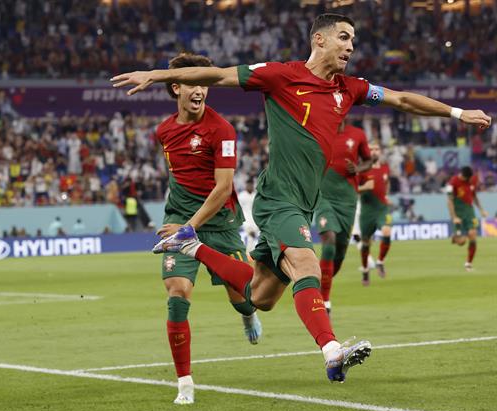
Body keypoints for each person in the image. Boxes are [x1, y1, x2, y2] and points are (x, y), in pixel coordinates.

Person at [112, 13, 491, 383]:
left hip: (304, 203)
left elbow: (402, 100)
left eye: (353, 40)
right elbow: (217, 75)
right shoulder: (282, 76)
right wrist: (156, 75)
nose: (351, 47)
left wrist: (457, 113)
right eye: (344, 37)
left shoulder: (349, 88)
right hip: (278, 198)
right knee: (307, 266)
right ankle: (331, 351)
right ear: (319, 40)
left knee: (261, 296)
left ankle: (193, 248)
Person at [151, 53, 262, 405]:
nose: (200, 90)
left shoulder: (222, 130)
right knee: (177, 294)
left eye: (205, 83)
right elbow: (178, 176)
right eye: (193, 83)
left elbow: (221, 189)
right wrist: (180, 223)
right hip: (179, 221)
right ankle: (185, 381)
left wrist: (189, 227)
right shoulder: (164, 132)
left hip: (220, 224)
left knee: (246, 298)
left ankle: (248, 316)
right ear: (176, 88)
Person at [315, 122, 372, 313]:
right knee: (328, 239)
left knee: (339, 253)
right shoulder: (320, 129)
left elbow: (369, 161)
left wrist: (357, 168)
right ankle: (324, 300)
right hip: (323, 197)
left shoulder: (357, 134)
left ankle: (323, 282)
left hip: (347, 199)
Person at [358, 143, 392, 285]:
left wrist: (386, 195)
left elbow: (387, 182)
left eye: (376, 149)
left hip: (382, 209)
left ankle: (380, 261)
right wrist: (365, 187)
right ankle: (366, 270)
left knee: (387, 232)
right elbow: (354, 188)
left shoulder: (385, 167)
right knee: (366, 243)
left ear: (380, 152)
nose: (374, 151)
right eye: (371, 149)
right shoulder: (361, 169)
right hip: (367, 211)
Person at [446, 166, 488, 271]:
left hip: (469, 211)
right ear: (463, 176)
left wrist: (481, 210)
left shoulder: (472, 180)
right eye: (467, 179)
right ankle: (455, 237)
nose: (470, 181)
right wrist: (454, 217)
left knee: (473, 234)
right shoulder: (452, 183)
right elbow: (449, 201)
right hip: (458, 212)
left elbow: (474, 196)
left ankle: (468, 264)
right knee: (462, 242)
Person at [238, 179, 259, 254]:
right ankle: (247, 254)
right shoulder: (242, 195)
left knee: (254, 239)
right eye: (248, 184)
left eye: (251, 184)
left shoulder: (256, 195)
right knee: (249, 236)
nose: (250, 186)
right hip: (246, 219)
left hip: (254, 219)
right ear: (246, 185)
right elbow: (238, 209)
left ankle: (252, 255)